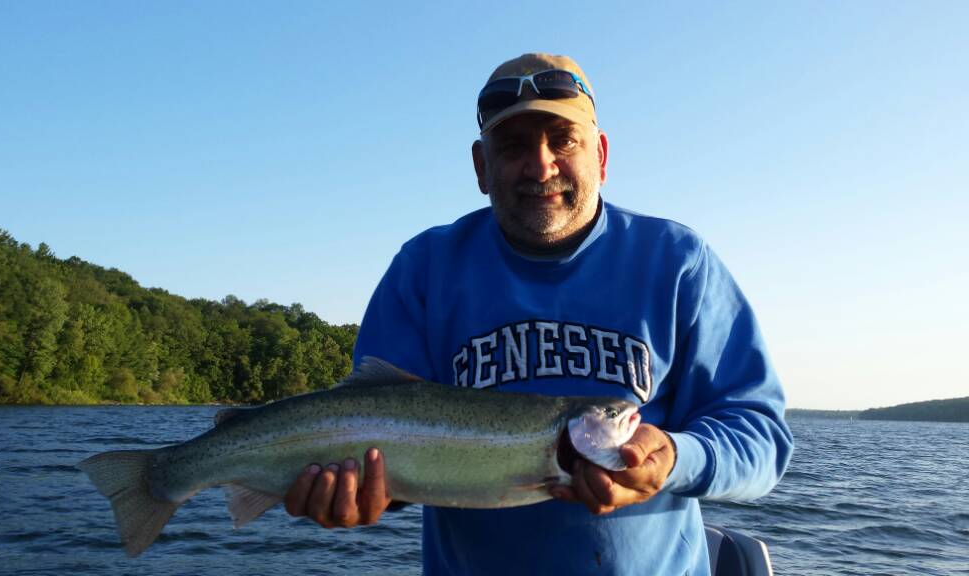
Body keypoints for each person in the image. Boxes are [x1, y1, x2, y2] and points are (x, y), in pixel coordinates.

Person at [285, 53, 793, 575]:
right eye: (513, 147)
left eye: (563, 140)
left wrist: (674, 457)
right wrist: (355, 491)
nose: (541, 165)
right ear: (481, 167)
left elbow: (760, 435)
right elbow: (375, 435)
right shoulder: (424, 268)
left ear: (601, 154)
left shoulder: (679, 262)